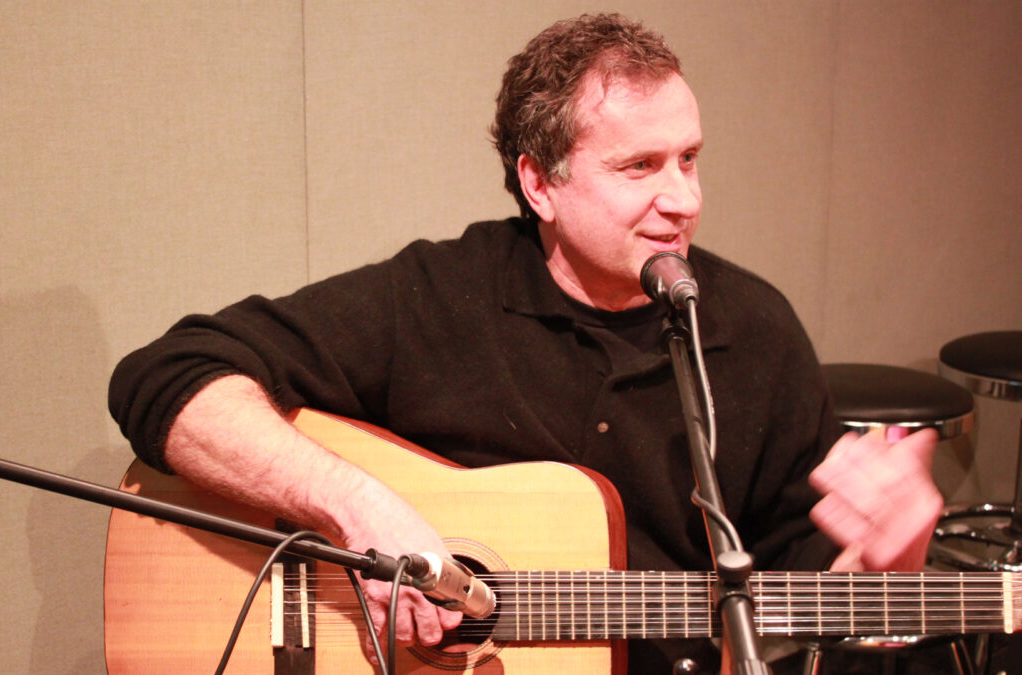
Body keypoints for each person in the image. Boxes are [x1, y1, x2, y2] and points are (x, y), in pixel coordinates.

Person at [109, 13, 942, 673]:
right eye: (640, 166)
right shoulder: (436, 297)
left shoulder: (752, 329)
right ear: (540, 183)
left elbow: (809, 591)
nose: (683, 198)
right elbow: (167, 379)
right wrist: (360, 506)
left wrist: (886, 566)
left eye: (689, 158)